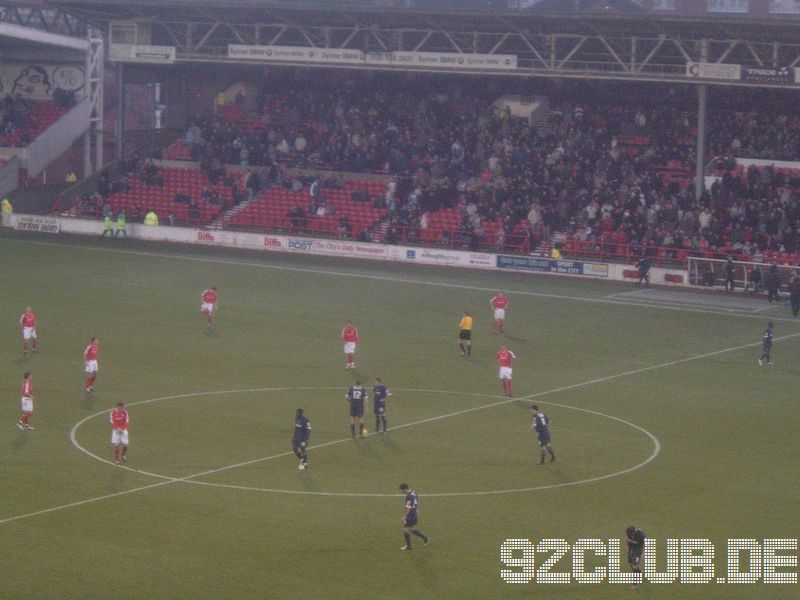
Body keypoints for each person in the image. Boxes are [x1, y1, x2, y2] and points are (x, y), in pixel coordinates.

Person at [399, 483, 429, 550]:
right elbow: (417, 501)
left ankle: (409, 547)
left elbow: (408, 508)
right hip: (415, 514)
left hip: (410, 516)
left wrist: (404, 516)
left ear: (405, 489)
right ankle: (425, 538)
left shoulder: (408, 496)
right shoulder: (414, 492)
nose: (401, 492)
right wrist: (417, 509)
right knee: (411, 529)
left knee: (405, 530)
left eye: (401, 490)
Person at [626, 526, 646, 590]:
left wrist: (642, 554)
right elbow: (627, 539)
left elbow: (644, 544)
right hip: (632, 549)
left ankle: (635, 585)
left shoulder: (641, 534)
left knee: (635, 566)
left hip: (638, 551)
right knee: (630, 564)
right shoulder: (629, 532)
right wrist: (627, 547)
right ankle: (639, 572)